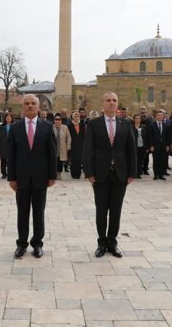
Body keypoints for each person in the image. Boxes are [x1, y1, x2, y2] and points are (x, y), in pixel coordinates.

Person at [83, 92, 136, 259]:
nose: (111, 103)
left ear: (117, 104)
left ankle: (112, 242)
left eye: (114, 100)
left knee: (116, 210)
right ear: (103, 103)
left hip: (120, 174)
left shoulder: (126, 124)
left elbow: (131, 150)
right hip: (100, 174)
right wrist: (89, 173)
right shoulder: (94, 124)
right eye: (108, 100)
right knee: (101, 210)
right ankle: (101, 242)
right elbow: (88, 150)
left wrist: (132, 173)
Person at [7, 94, 57, 259]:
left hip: (40, 177)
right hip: (21, 178)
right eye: (27, 103)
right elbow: (11, 155)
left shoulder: (47, 127)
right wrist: (11, 177)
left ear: (38, 107)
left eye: (33, 103)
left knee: (38, 212)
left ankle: (37, 243)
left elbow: (52, 154)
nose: (30, 106)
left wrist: (52, 175)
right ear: (23, 107)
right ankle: (21, 244)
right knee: (22, 212)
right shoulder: (15, 128)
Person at [148, 110, 169, 180]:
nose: (160, 117)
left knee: (163, 160)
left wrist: (167, 145)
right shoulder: (152, 125)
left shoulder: (166, 125)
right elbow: (150, 136)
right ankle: (156, 174)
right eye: (159, 115)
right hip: (155, 146)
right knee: (156, 160)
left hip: (163, 146)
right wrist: (151, 145)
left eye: (161, 115)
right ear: (156, 117)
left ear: (163, 117)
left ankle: (161, 174)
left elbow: (167, 136)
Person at [52, 113, 71, 180]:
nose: (57, 121)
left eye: (59, 119)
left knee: (60, 161)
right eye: (56, 119)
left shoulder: (65, 127)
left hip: (62, 148)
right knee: (54, 162)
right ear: (54, 120)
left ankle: (59, 175)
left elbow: (69, 137)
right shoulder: (51, 127)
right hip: (53, 148)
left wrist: (68, 146)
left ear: (61, 120)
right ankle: (54, 175)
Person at [68, 111, 86, 179]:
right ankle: (73, 174)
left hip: (80, 145)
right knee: (73, 160)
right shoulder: (69, 126)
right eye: (75, 116)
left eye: (78, 116)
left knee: (79, 160)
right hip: (72, 145)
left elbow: (84, 136)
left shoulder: (82, 125)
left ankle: (78, 174)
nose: (76, 117)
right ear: (73, 117)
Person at [0, 113, 14, 179]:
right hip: (3, 145)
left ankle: (10, 173)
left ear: (12, 118)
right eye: (7, 117)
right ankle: (4, 173)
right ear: (5, 118)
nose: (8, 118)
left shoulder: (14, 126)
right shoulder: (1, 127)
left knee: (11, 161)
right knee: (3, 160)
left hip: (12, 146)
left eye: (10, 117)